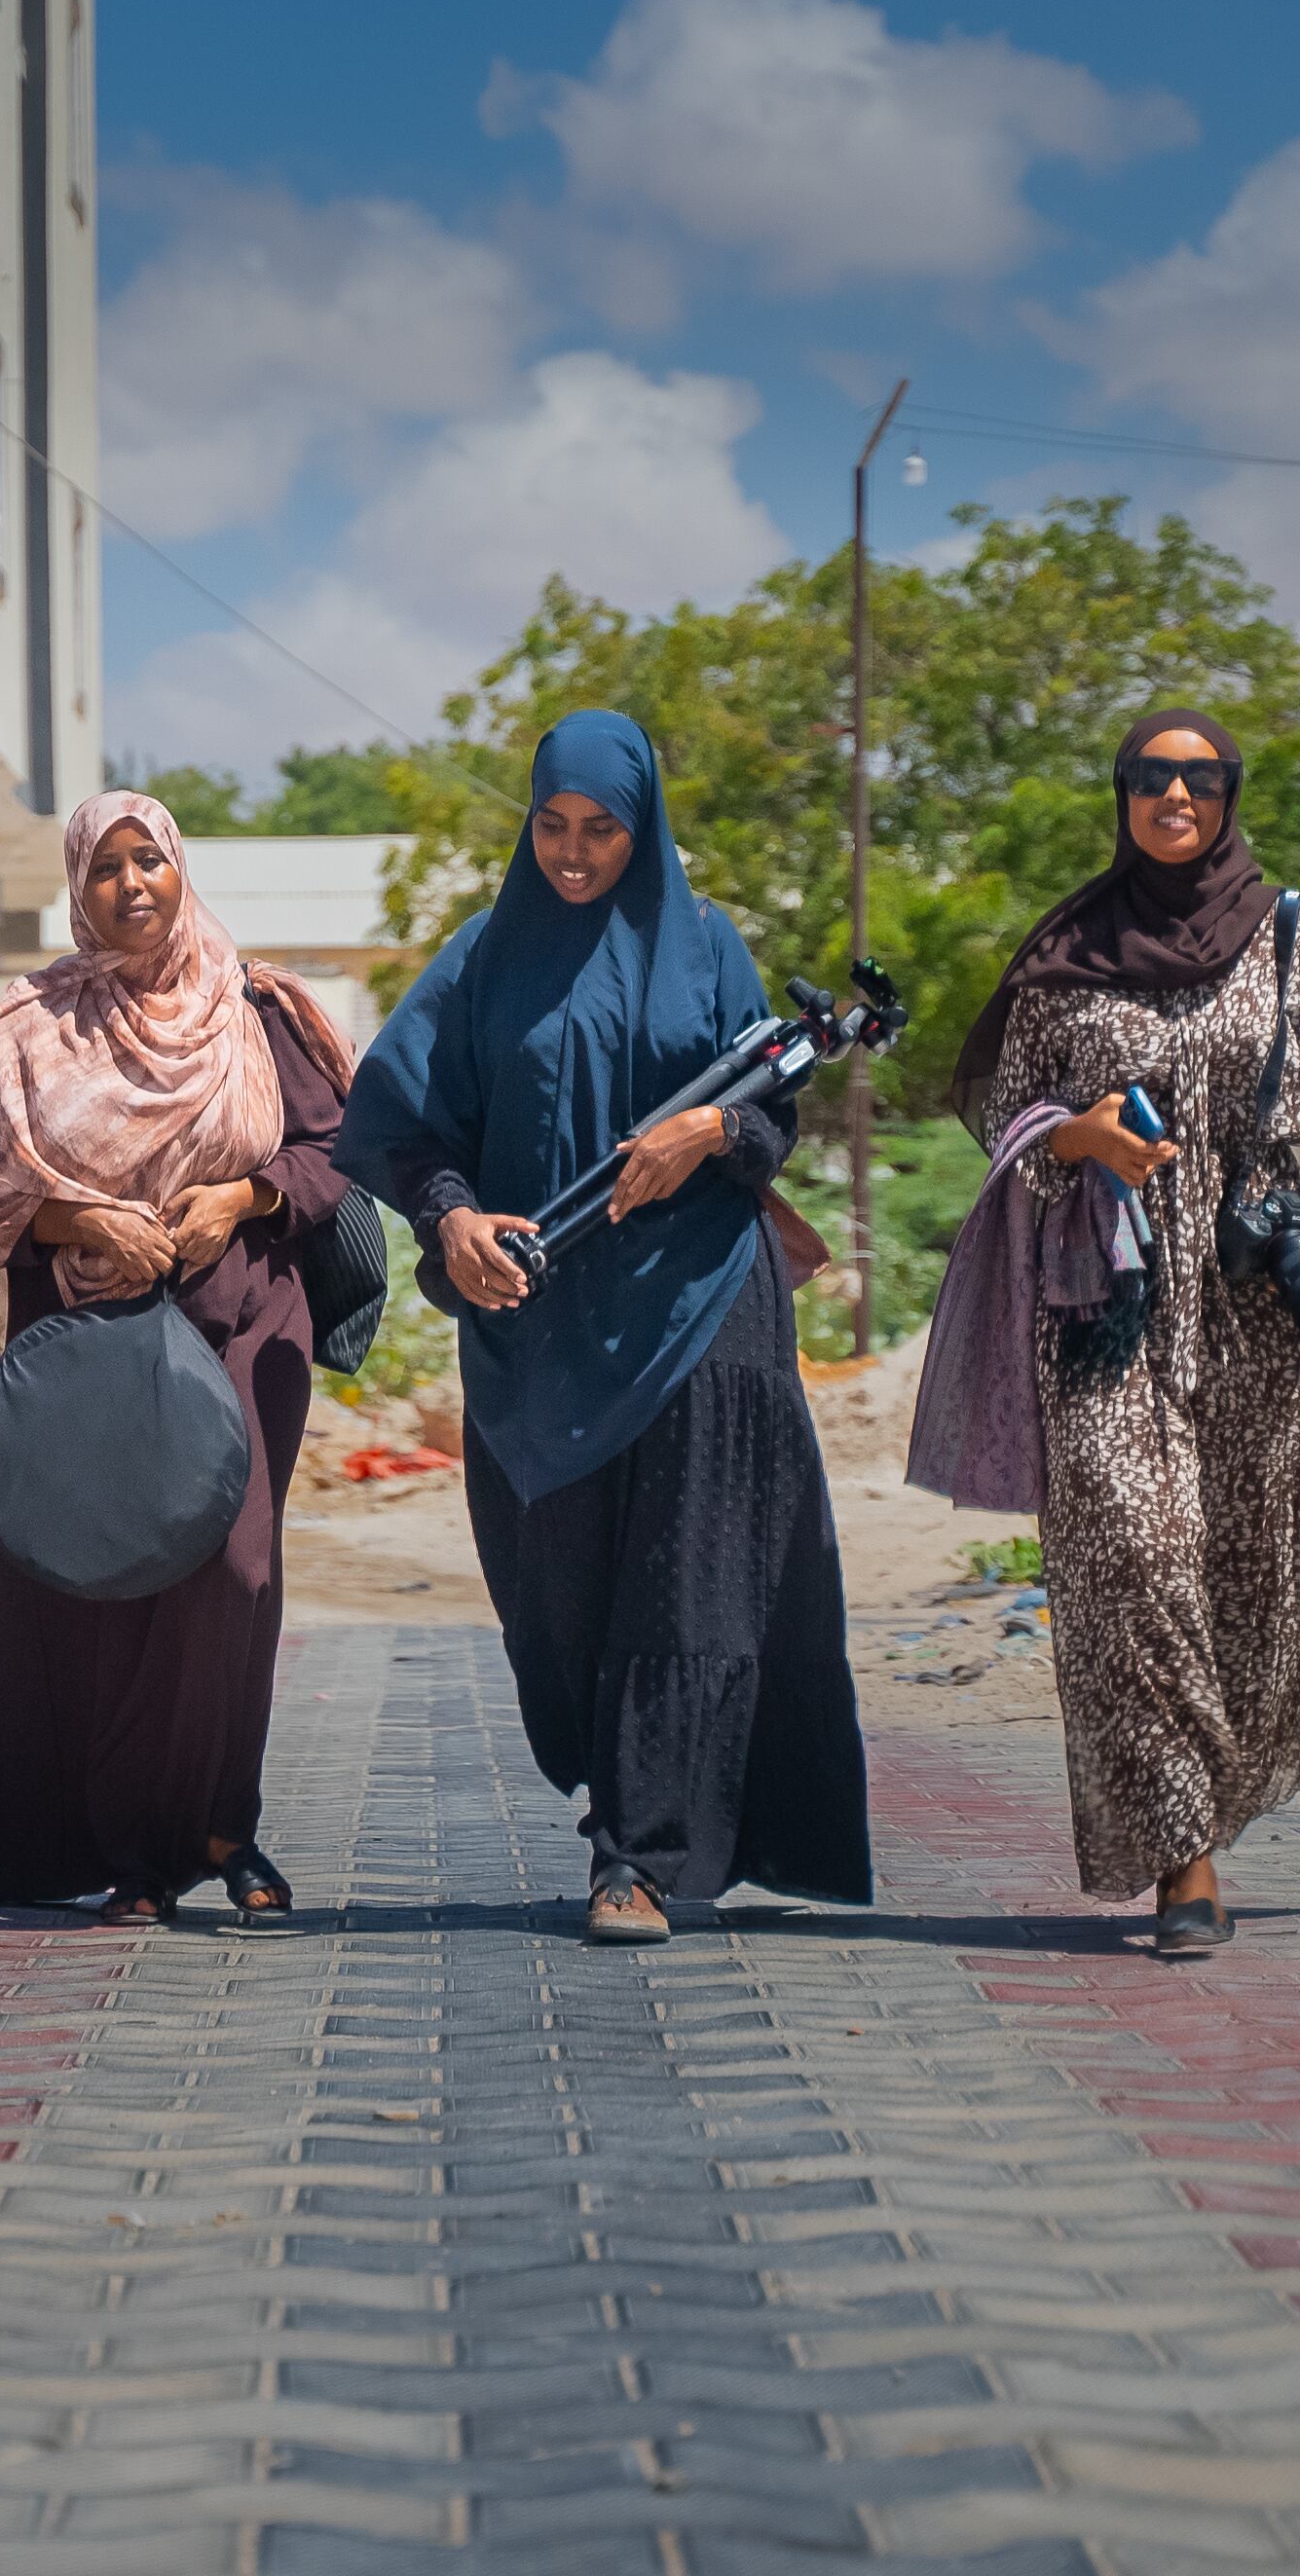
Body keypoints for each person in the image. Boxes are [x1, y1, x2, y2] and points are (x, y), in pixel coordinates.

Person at [337, 711, 872, 1944]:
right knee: (558, 1588)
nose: (575, 854)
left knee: (684, 1586)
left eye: (603, 830)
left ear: (645, 827)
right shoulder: (482, 959)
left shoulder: (705, 946)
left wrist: (711, 1134)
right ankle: (626, 1809)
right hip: (541, 1318)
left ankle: (636, 1855)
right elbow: (399, 1126)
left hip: (702, 1307)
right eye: (554, 826)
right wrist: (452, 1219)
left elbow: (773, 1113)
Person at [951, 706, 1300, 1955]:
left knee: (1248, 1581)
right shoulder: (1071, 947)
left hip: (1258, 1311)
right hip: (1110, 1312)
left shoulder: (1294, 942)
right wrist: (1075, 1139)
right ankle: (1181, 1859)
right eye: (1151, 780)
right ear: (1121, 795)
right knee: (1134, 1561)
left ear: (1228, 797)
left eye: (1199, 781)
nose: (1174, 799)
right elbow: (1005, 1108)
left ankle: (1211, 1796)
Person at [0, 790, 359, 1929]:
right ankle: (127, 1853)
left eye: (148, 860)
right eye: (105, 869)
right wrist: (75, 1222)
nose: (132, 885)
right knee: (100, 1580)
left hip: (244, 1320)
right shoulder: (29, 1027)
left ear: (179, 868)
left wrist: (237, 1196)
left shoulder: (255, 1010)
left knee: (230, 1574)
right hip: (91, 1342)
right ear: (78, 890)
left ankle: (213, 1823)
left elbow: (335, 1152)